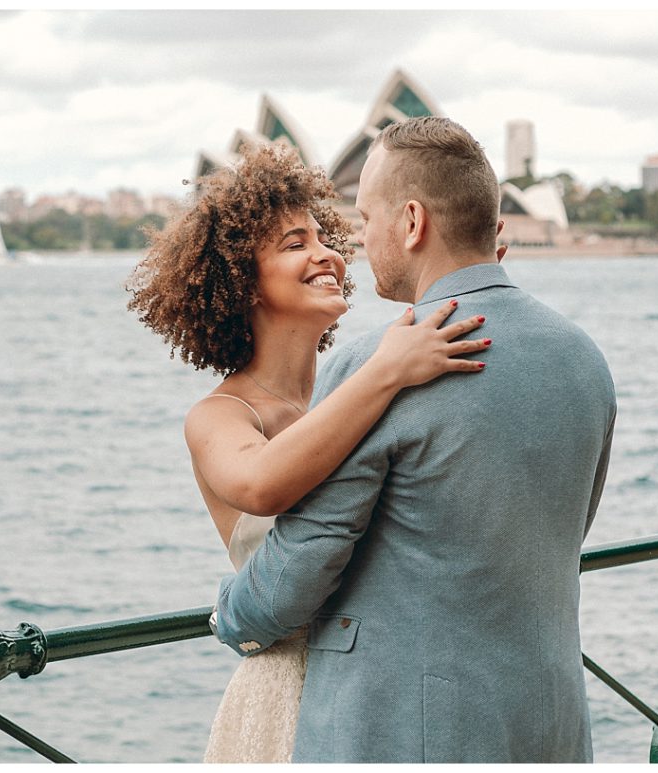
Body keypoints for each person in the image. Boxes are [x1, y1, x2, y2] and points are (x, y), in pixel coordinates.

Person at [210, 117, 617, 763]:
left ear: (412, 222)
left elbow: (295, 575)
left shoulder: (378, 366)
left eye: (367, 216)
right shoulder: (582, 358)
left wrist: (226, 614)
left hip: (407, 732)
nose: (360, 237)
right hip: (551, 721)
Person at [126, 142, 495, 762]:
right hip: (289, 697)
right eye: (294, 243)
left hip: (392, 690)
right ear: (241, 280)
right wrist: (384, 374)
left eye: (323, 236)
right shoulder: (220, 415)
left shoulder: (356, 388)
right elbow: (265, 485)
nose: (325, 252)